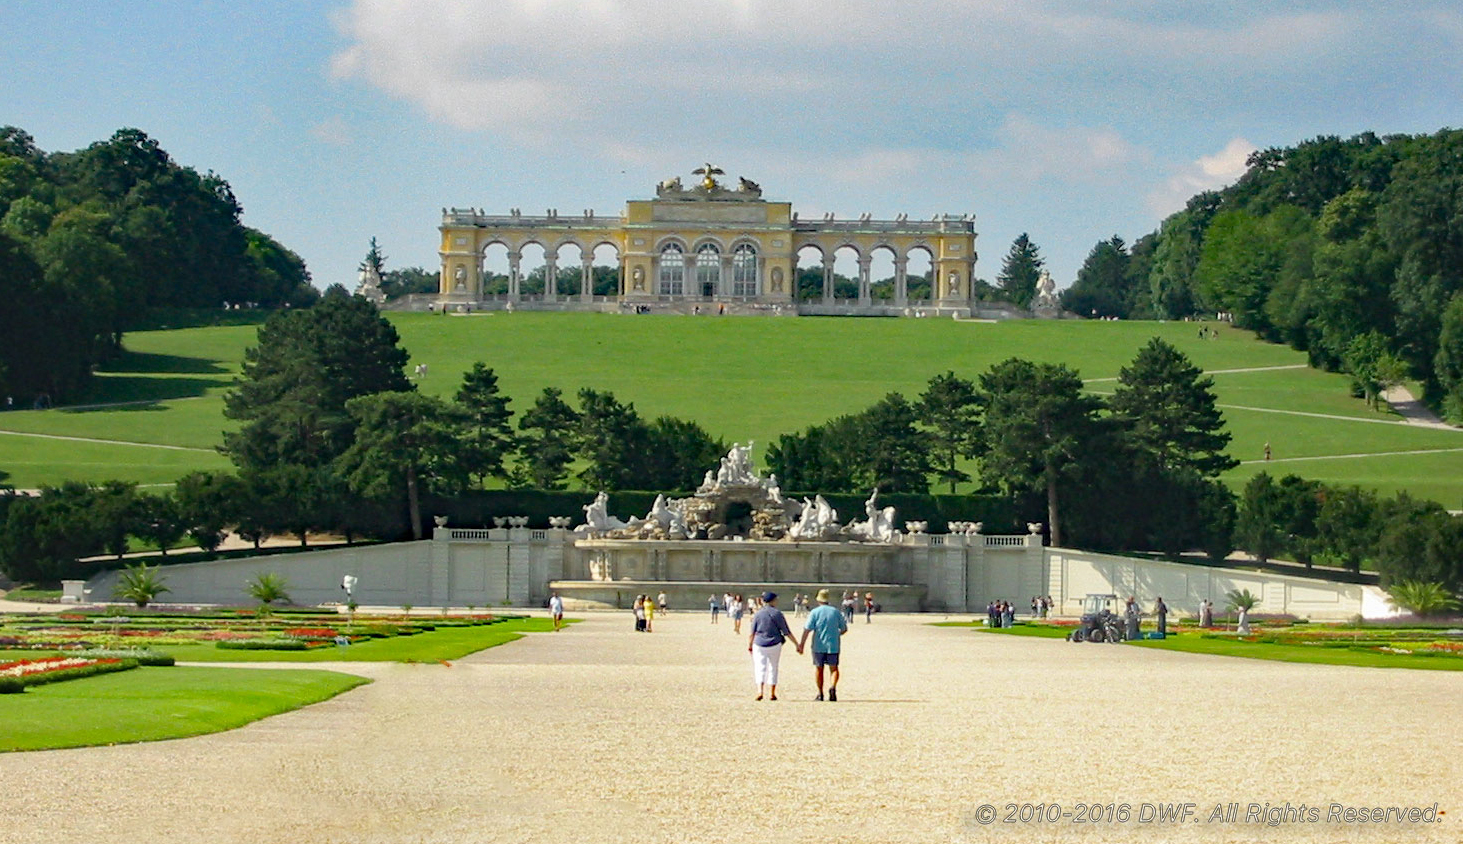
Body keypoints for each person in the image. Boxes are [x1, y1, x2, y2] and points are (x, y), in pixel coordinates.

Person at [799, 589, 848, 702]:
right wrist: (836, 634)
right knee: (834, 668)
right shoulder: (836, 612)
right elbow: (844, 629)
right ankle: (832, 687)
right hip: (833, 645)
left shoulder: (815, 612)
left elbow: (807, 629)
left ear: (818, 600)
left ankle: (820, 693)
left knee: (819, 669)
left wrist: (801, 644)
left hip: (818, 645)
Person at [747, 591, 798, 700]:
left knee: (760, 667)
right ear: (773, 600)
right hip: (775, 643)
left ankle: (760, 691)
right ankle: (772, 692)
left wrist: (750, 645)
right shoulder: (777, 613)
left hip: (759, 643)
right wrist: (797, 644)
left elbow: (752, 632)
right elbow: (786, 632)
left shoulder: (758, 614)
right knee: (773, 667)